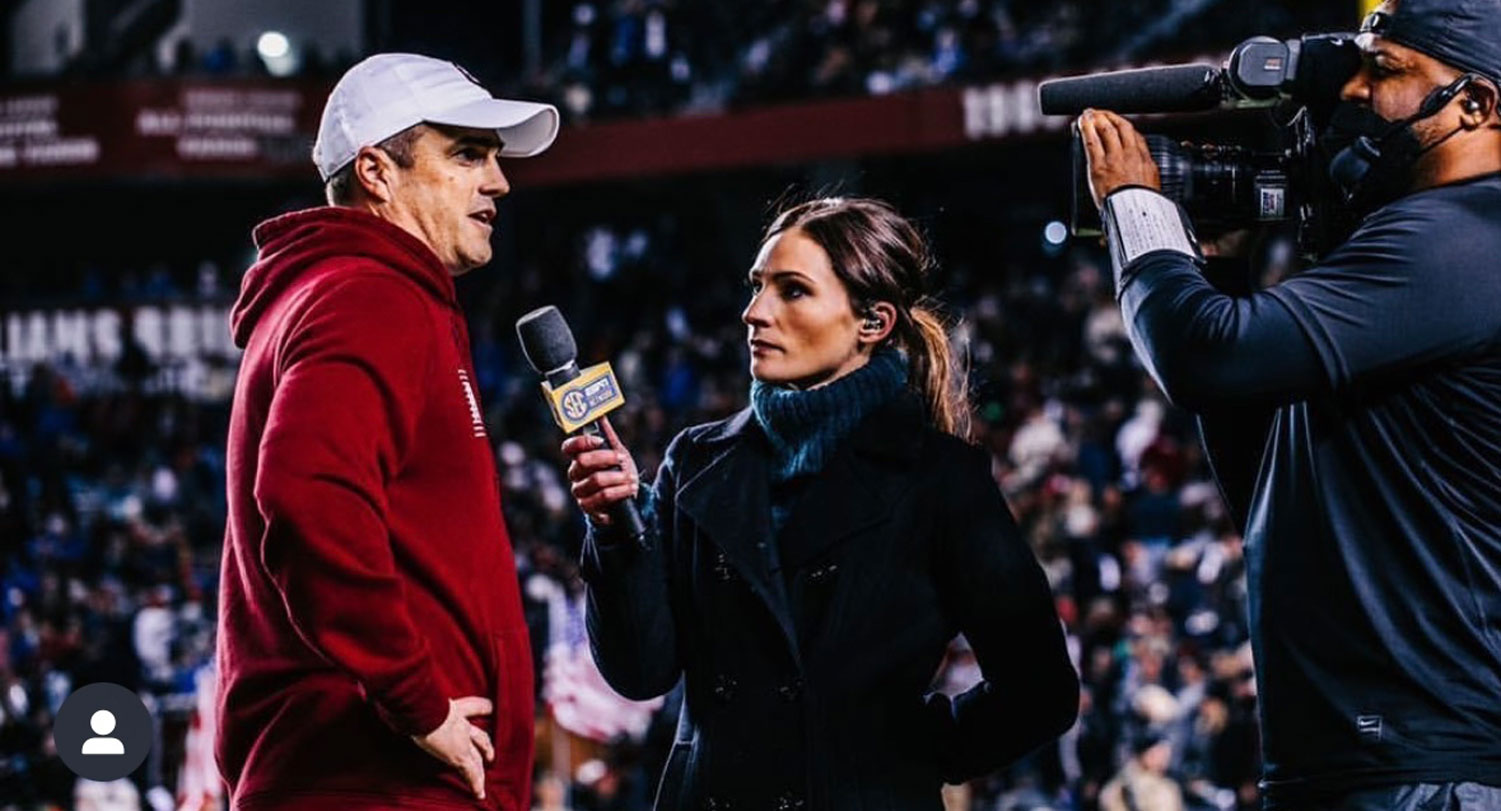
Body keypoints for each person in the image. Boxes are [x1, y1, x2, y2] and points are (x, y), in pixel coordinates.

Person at [1077, 0, 1501, 807]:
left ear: (1476, 104)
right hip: (1358, 754)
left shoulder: (1464, 236)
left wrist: (1135, 203)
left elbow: (1203, 356)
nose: (1352, 92)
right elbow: (1267, 490)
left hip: (1426, 761)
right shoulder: (1423, 244)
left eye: (1385, 71)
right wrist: (1222, 271)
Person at [562, 197, 1078, 809]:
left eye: (793, 291)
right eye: (757, 287)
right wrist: (618, 531)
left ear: (873, 323)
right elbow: (641, 672)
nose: (754, 313)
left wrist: (908, 757)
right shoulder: (696, 461)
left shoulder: (942, 479)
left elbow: (1040, 691)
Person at [217, 53, 558, 810]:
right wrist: (418, 700)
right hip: (376, 779)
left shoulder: (339, 293)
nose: (498, 181)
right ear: (377, 171)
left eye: (495, 158)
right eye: (467, 153)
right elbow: (308, 501)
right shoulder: (369, 295)